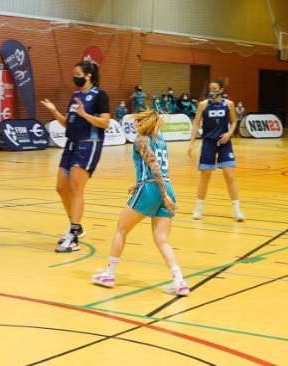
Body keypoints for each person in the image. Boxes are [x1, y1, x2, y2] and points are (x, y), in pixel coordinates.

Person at [91, 109, 189, 296]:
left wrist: (160, 194)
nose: (134, 124)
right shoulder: (160, 139)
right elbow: (158, 169)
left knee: (121, 229)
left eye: (137, 121)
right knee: (162, 239)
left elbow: (154, 166)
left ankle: (109, 274)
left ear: (143, 123)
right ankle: (179, 281)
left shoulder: (141, 139)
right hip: (166, 186)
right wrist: (141, 184)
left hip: (153, 189)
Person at [40, 62, 111, 253]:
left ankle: (73, 236)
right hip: (71, 144)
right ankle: (76, 226)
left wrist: (85, 114)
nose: (75, 77)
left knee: (76, 189)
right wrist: (54, 111)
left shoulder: (99, 95)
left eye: (78, 74)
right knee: (61, 187)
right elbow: (68, 124)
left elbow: (105, 123)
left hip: (88, 144)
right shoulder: (75, 96)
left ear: (88, 75)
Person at [187, 80, 245, 222]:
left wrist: (229, 134)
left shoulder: (229, 104)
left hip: (224, 143)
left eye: (214, 88)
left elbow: (234, 121)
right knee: (205, 176)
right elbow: (196, 124)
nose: (212, 91)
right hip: (209, 143)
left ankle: (237, 210)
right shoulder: (203, 105)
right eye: (210, 88)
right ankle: (198, 208)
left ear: (221, 90)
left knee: (229, 176)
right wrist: (191, 143)